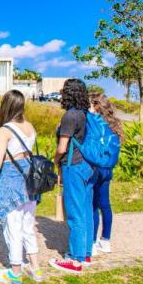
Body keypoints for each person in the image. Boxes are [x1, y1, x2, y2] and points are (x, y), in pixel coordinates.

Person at [0, 90, 43, 284]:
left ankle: (15, 273)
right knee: (28, 226)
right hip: (30, 181)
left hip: (12, 182)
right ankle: (35, 268)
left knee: (13, 228)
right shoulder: (30, 127)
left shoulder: (4, 130)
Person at [49, 79, 94, 274]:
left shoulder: (70, 116)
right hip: (88, 166)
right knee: (86, 210)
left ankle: (75, 259)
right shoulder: (86, 115)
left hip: (73, 166)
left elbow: (62, 147)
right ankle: (85, 253)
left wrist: (55, 160)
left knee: (75, 213)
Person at [89, 93, 123, 255]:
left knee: (93, 205)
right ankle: (105, 240)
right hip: (108, 169)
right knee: (105, 204)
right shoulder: (113, 125)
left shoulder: (96, 124)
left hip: (96, 167)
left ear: (96, 106)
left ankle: (93, 242)